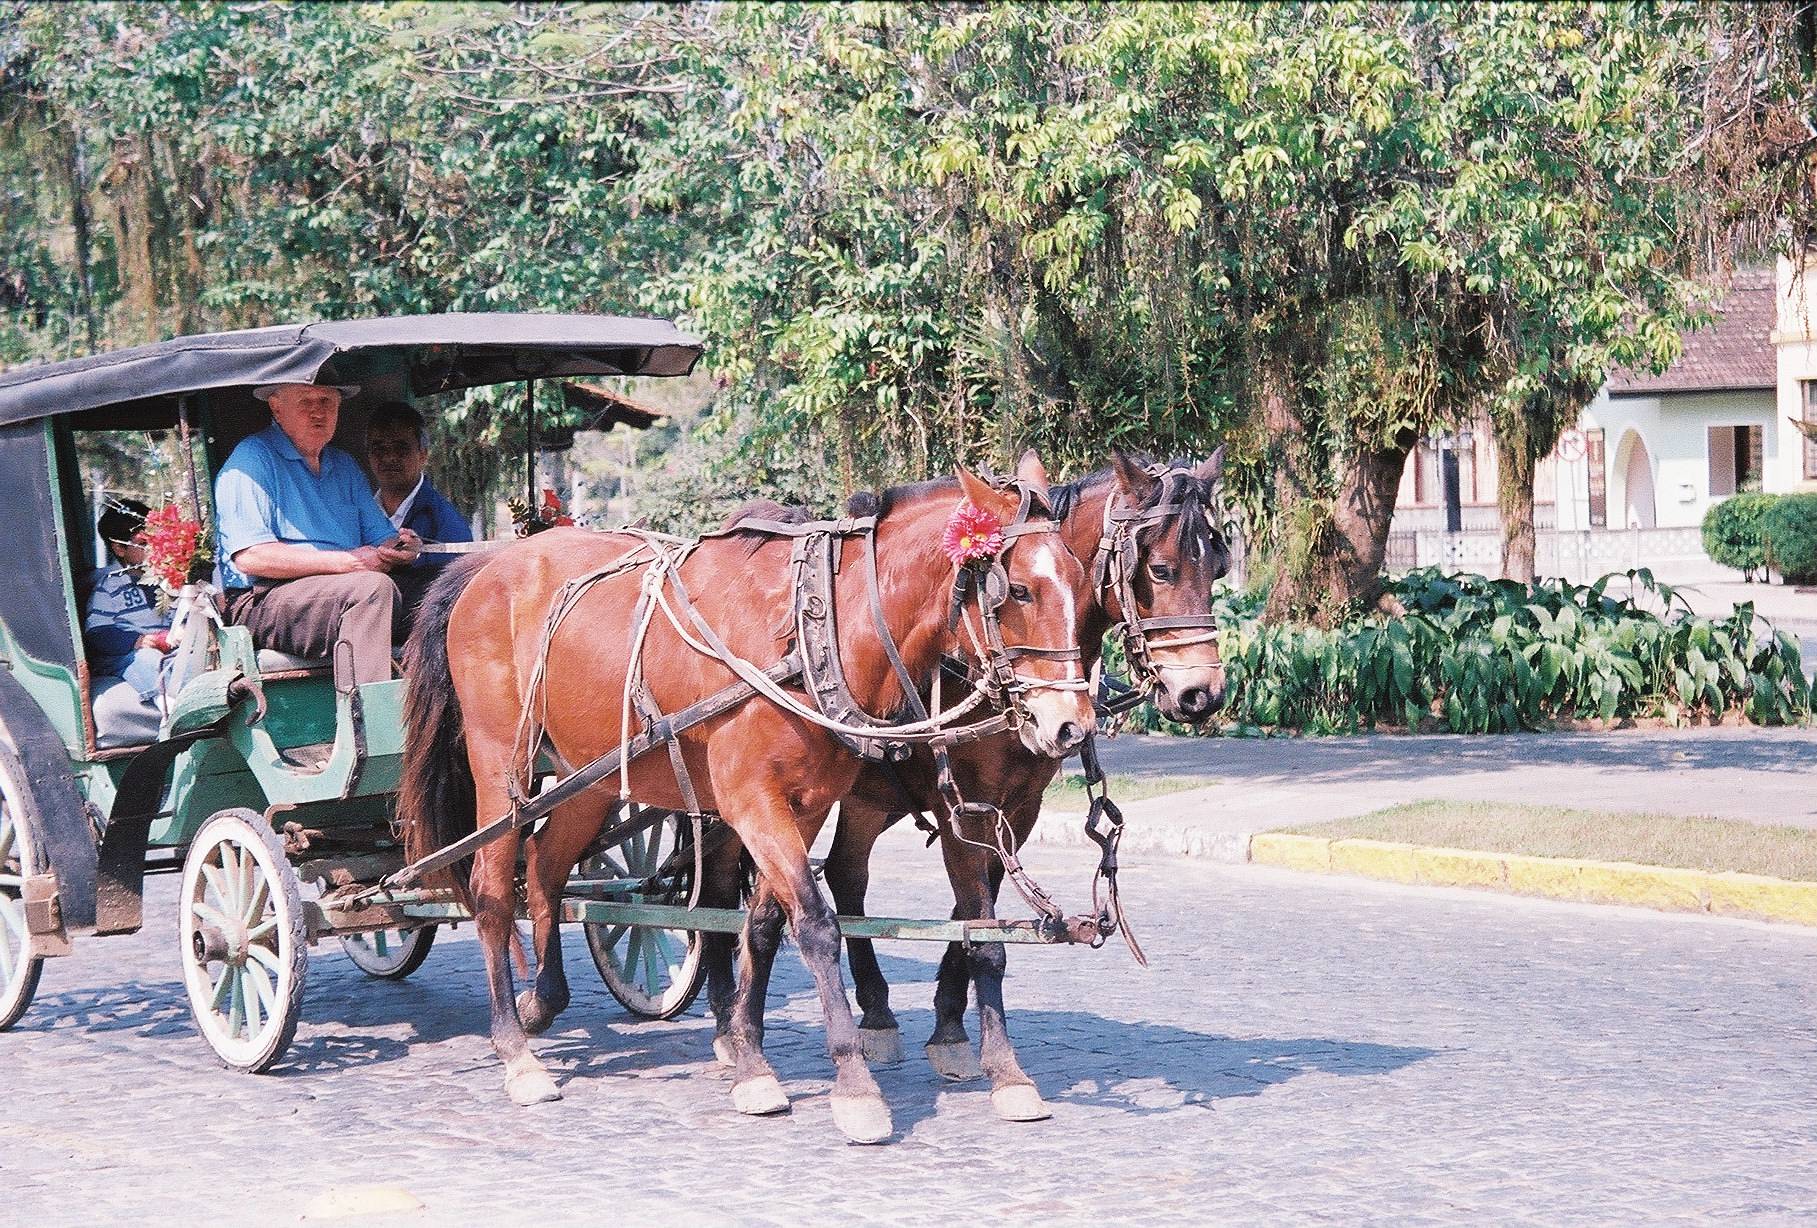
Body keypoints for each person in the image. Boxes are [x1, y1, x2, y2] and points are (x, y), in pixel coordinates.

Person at [214, 382, 420, 688]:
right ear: (276, 407)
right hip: (263, 598)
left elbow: (382, 538)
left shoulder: (344, 465)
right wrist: (346, 563)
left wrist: (402, 547)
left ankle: (440, 714)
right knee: (371, 589)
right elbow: (251, 557)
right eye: (305, 401)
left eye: (326, 401)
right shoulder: (252, 459)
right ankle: (368, 722)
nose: (318, 412)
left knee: (443, 589)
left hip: (340, 589)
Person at [84, 498, 173, 703]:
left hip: (169, 647)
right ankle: (167, 705)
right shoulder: (110, 587)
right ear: (119, 549)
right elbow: (97, 632)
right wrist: (136, 641)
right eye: (143, 543)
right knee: (148, 661)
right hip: (126, 655)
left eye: (155, 540)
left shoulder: (168, 578)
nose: (152, 548)